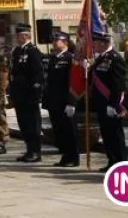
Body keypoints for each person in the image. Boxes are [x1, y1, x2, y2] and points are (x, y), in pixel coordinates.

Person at [91, 31, 126, 170]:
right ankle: (112, 161)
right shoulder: (101, 58)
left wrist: (113, 104)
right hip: (101, 103)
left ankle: (121, 162)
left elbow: (118, 84)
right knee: (106, 134)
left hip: (110, 103)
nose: (93, 45)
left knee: (116, 135)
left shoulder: (115, 58)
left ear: (104, 43)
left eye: (96, 42)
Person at [9, 23, 44, 163]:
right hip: (19, 93)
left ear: (27, 35)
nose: (18, 38)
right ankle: (29, 149)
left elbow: (38, 75)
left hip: (29, 94)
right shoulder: (17, 51)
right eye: (17, 35)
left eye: (20, 35)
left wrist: (35, 94)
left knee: (32, 124)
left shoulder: (33, 51)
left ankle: (36, 151)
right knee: (23, 124)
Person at [43, 32, 78, 167]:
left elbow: (73, 82)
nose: (55, 42)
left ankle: (73, 157)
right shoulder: (53, 58)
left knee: (69, 130)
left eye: (58, 40)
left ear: (66, 43)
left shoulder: (70, 58)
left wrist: (72, 102)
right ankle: (65, 155)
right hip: (54, 101)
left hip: (65, 100)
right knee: (59, 130)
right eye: (54, 40)